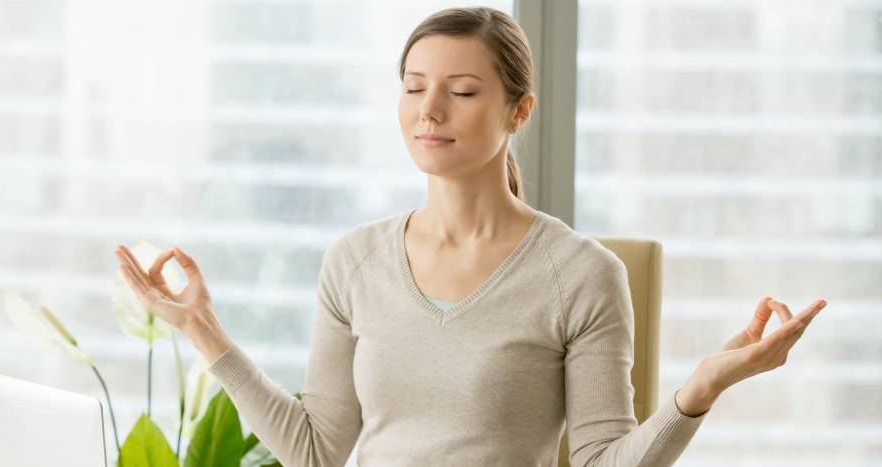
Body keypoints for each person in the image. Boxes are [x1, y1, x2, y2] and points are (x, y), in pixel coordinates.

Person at [114, 6, 827, 466]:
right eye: (413, 85)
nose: (429, 111)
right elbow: (316, 450)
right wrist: (202, 329)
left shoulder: (582, 274)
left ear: (519, 112)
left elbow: (603, 461)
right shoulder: (354, 261)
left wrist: (700, 387)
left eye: (461, 91)